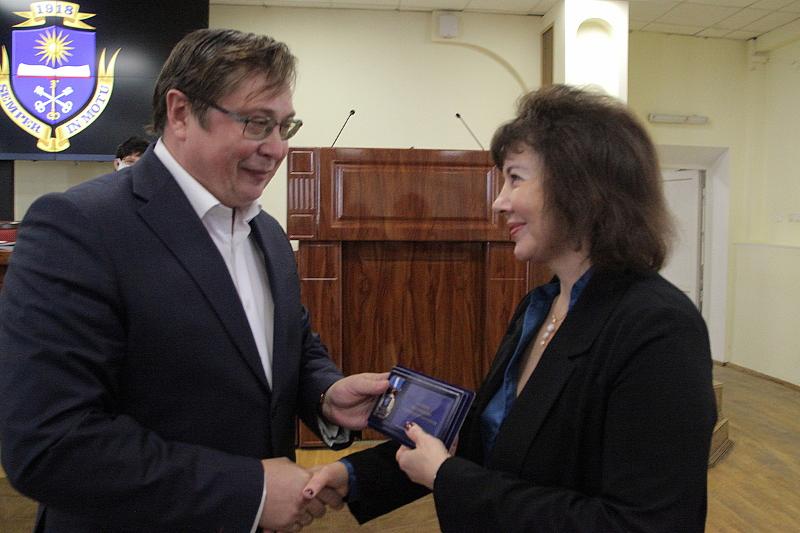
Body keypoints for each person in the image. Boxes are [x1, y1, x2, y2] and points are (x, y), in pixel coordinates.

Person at [0, 28, 388, 533]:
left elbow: (287, 342)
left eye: (285, 126)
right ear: (181, 113)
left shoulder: (268, 233)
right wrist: (250, 491)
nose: (277, 148)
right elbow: (49, 443)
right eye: (256, 123)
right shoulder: (80, 226)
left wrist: (326, 393)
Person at [303, 84, 718, 532]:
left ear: (581, 187)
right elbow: (490, 437)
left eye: (515, 178)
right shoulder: (539, 306)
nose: (499, 202)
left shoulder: (659, 327)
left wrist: (447, 478)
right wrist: (354, 475)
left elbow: (647, 524)